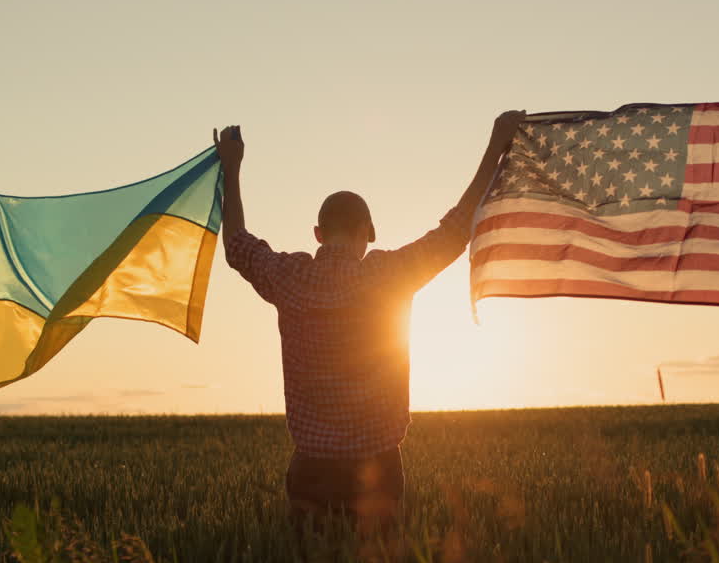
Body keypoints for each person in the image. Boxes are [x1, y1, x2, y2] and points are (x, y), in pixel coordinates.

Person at [216, 111, 524, 528]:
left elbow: (236, 244)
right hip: (378, 471)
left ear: (318, 234)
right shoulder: (388, 275)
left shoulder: (288, 277)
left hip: (311, 469)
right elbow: (455, 231)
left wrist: (229, 167)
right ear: (366, 230)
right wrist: (496, 146)